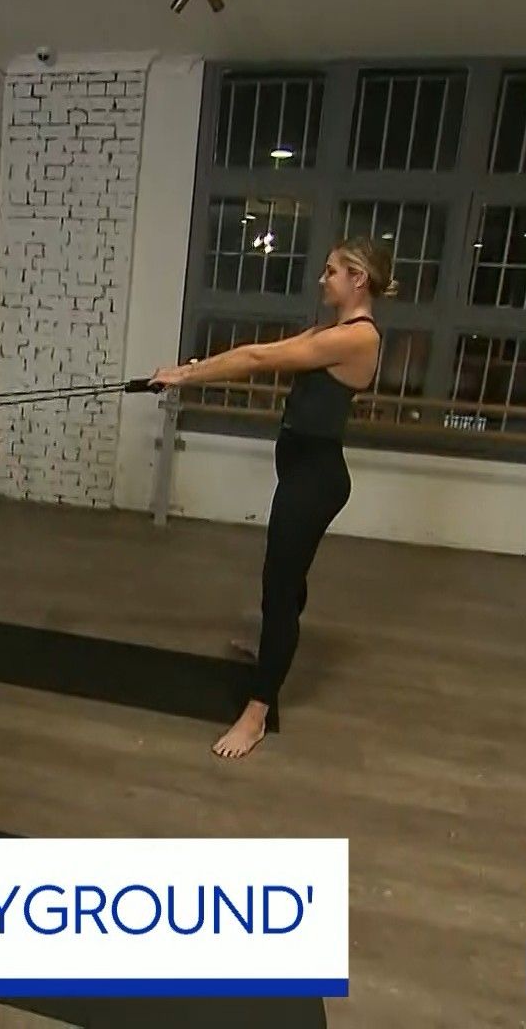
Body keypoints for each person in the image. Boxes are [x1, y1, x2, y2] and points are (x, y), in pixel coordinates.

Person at [151, 236, 391, 761]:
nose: (322, 278)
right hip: (302, 472)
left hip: (315, 479)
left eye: (332, 271)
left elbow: (260, 357)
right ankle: (270, 653)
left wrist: (185, 375)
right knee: (287, 576)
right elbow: (264, 351)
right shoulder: (332, 332)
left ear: (358, 279)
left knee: (278, 588)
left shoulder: (358, 338)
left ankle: (256, 713)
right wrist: (196, 368)